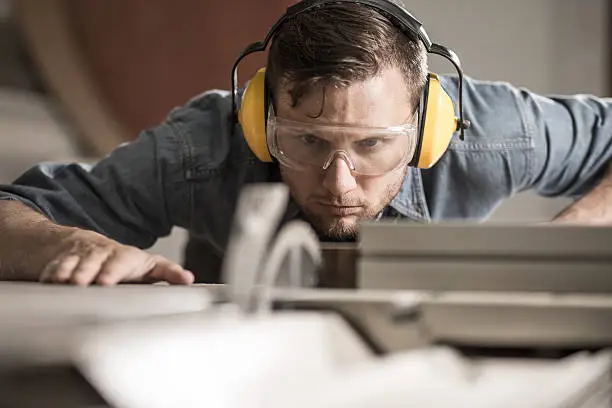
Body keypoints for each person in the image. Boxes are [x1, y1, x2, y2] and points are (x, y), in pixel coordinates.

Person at [1, 0, 611, 286]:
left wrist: (572, 238)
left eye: (373, 145)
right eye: (309, 143)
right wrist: (74, 243)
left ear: (430, 127)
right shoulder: (202, 148)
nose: (340, 185)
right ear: (260, 122)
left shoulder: (493, 134)